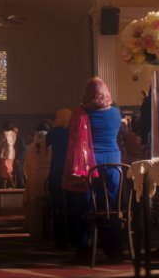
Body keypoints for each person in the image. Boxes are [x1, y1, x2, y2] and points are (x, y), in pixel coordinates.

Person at [64, 77, 124, 262]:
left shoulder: (80, 113)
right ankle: (114, 250)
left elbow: (71, 137)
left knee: (87, 207)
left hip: (89, 163)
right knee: (113, 207)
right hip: (114, 163)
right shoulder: (116, 112)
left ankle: (85, 250)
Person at [46, 108, 72, 248]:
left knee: (57, 205)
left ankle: (59, 238)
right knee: (71, 204)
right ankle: (72, 236)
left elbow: (43, 151)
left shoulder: (53, 132)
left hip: (56, 169)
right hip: (70, 170)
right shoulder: (71, 131)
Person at [23, 122, 51, 239]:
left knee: (36, 207)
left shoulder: (31, 146)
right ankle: (49, 232)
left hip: (35, 178)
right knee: (49, 206)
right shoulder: (52, 146)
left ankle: (36, 232)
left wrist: (30, 176)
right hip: (49, 178)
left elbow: (27, 166)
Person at [0, 121, 17, 188]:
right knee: (8, 169)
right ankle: (5, 186)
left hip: (5, 153)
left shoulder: (5, 133)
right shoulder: (14, 133)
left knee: (5, 170)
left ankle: (12, 184)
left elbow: (0, 143)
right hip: (12, 152)